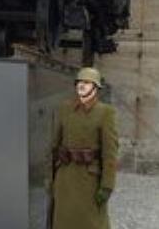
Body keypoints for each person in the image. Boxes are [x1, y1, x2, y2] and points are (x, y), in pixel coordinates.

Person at [49, 67, 118, 229]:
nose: (82, 85)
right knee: (63, 221)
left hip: (89, 181)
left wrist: (107, 186)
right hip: (65, 178)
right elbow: (54, 147)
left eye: (87, 82)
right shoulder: (65, 109)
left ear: (96, 88)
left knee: (91, 222)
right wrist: (50, 178)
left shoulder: (105, 113)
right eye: (79, 82)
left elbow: (110, 154)